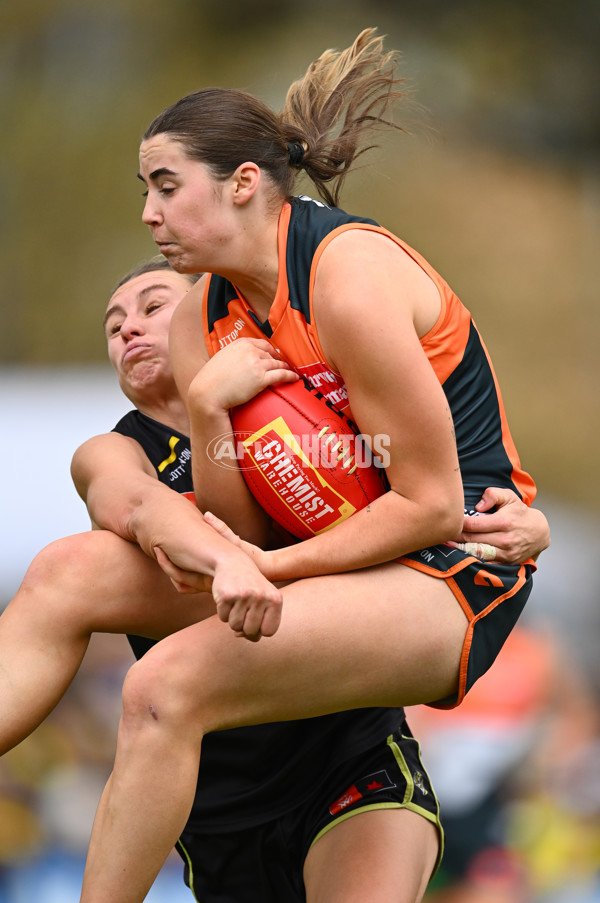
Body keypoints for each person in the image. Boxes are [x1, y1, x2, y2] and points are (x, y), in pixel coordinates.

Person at [77, 27, 546, 902]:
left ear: (242, 183)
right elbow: (242, 525)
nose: (149, 214)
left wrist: (271, 570)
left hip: (459, 563)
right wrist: (208, 411)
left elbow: (431, 505)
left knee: (162, 682)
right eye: (146, 192)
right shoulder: (199, 322)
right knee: (67, 579)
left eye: (166, 186)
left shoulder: (346, 275)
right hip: (349, 561)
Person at [0, 256, 547, 903]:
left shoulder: (314, 408)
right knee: (68, 566)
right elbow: (139, 506)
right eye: (113, 326)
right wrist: (229, 553)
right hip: (221, 807)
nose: (127, 330)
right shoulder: (113, 450)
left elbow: (429, 498)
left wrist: (519, 524)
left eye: (152, 307)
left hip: (348, 766)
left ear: (208, 320)